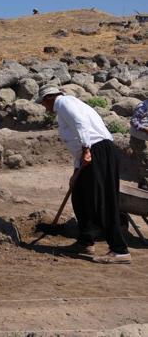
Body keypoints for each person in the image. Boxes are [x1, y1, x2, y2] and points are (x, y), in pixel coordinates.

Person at [37, 85, 131, 264]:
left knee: (102, 201)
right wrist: (75, 171)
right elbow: (75, 141)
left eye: (43, 103)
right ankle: (85, 242)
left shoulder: (64, 102)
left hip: (98, 151)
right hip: (90, 153)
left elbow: (81, 124)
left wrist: (87, 149)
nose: (44, 107)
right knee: (79, 196)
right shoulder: (67, 105)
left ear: (49, 98)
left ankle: (120, 250)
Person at [129, 99, 148, 187]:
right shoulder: (143, 106)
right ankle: (144, 183)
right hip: (139, 138)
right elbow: (133, 121)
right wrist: (145, 129)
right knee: (145, 160)